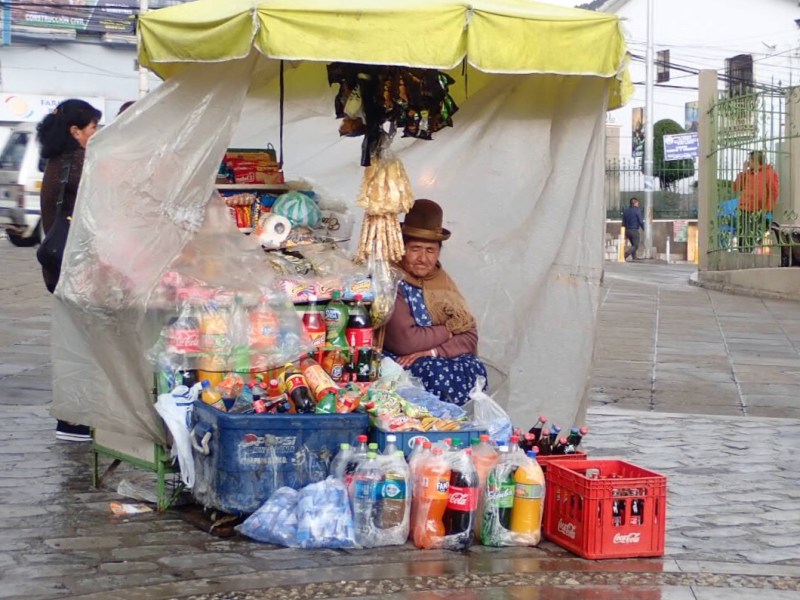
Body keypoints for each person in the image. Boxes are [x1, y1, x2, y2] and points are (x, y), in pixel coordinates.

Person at [36, 99, 102, 441]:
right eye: (94, 128)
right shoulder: (77, 163)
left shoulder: (56, 161)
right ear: (75, 131)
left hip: (61, 268)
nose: (97, 134)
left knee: (77, 344)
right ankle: (75, 421)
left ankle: (75, 418)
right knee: (84, 347)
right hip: (78, 270)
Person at [382, 199, 487, 405]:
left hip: (435, 355)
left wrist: (433, 351)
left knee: (472, 367)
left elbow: (470, 336)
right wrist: (448, 331)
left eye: (430, 250)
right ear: (402, 249)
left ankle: (455, 430)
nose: (423, 258)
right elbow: (407, 342)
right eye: (415, 249)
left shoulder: (442, 282)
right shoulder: (393, 280)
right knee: (431, 370)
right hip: (401, 360)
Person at [734, 151, 779, 251]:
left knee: (751, 236)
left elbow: (773, 192)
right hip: (744, 208)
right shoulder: (748, 173)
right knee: (742, 235)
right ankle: (741, 255)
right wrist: (744, 172)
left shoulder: (769, 173)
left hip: (758, 210)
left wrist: (767, 209)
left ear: (755, 161)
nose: (748, 162)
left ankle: (748, 255)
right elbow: (736, 187)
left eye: (749, 160)